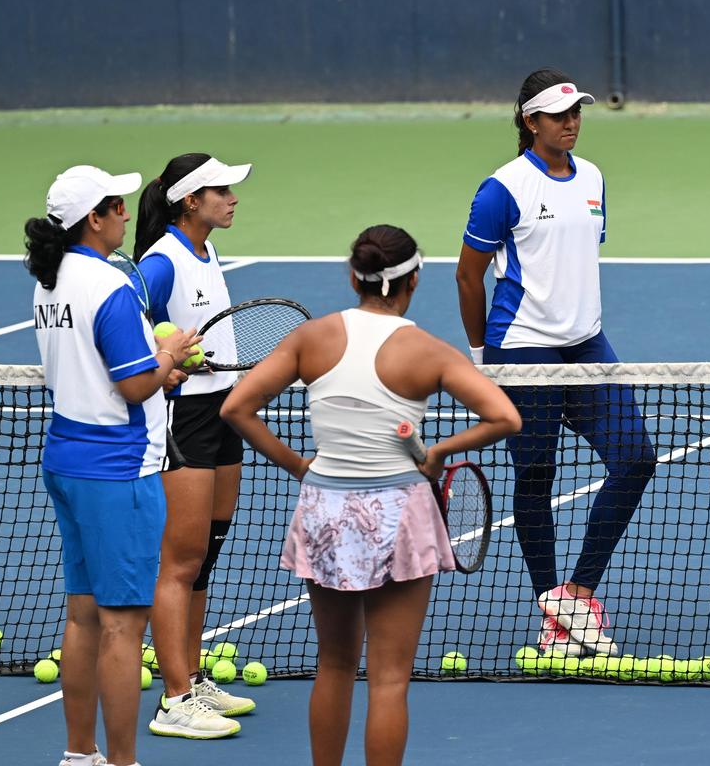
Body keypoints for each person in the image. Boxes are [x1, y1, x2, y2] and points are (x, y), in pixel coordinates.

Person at [221, 225, 520, 766]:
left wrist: (299, 466)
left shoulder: (312, 338)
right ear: (413, 279)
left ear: (354, 276)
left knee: (333, 664)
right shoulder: (429, 351)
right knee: (387, 679)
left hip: (325, 508)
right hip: (400, 514)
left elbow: (235, 408)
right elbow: (506, 417)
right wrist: (437, 452)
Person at [455, 68, 658, 658]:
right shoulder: (502, 189)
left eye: (576, 113)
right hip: (523, 348)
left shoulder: (592, 177)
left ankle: (577, 594)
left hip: (587, 346)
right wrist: (479, 356)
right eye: (558, 115)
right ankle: (553, 608)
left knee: (635, 459)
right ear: (530, 121)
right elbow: (469, 274)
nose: (571, 124)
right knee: (536, 475)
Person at [25, 166, 200, 766]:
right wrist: (170, 356)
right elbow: (132, 388)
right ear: (92, 220)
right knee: (124, 627)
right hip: (118, 471)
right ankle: (122, 762)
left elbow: (102, 375)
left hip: (66, 461)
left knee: (82, 617)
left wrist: (158, 369)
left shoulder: (49, 282)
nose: (128, 212)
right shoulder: (109, 286)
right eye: (115, 205)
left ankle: (80, 755)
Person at [134, 153, 253, 738]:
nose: (232, 198)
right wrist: (164, 363)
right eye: (221, 190)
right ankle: (172, 697)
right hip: (183, 418)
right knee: (179, 560)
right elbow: (126, 320)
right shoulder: (162, 261)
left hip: (223, 409)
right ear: (189, 200)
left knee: (207, 550)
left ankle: (194, 674)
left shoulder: (204, 251)